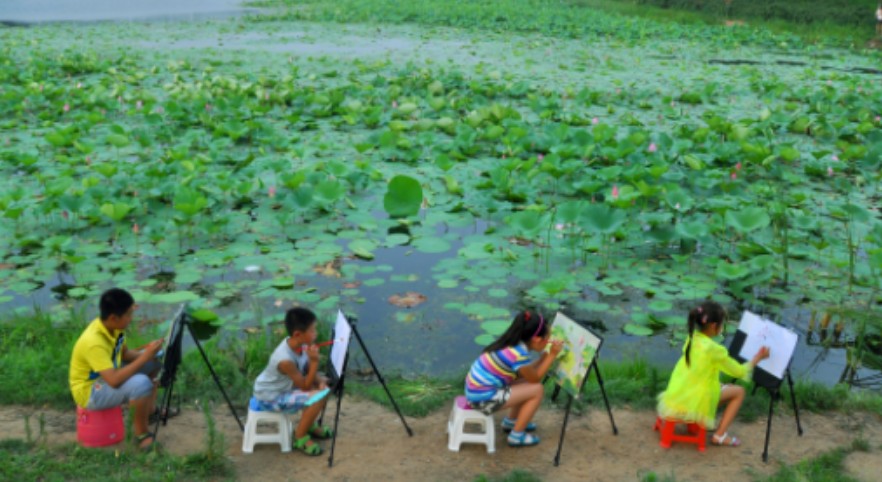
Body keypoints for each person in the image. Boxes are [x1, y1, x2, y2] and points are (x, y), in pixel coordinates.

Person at [657, 301, 770, 447]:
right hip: (696, 398)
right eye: (722, 324)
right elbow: (740, 371)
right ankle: (719, 435)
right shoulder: (715, 350)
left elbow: (699, 372)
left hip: (679, 392)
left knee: (724, 386)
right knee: (739, 392)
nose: (722, 328)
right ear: (713, 326)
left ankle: (697, 424)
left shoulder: (692, 337)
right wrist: (758, 358)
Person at [69, 288, 163, 450]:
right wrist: (144, 357)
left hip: (107, 375)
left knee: (155, 361)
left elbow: (124, 354)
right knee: (141, 383)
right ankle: (141, 435)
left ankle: (149, 410)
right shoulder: (94, 342)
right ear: (113, 317)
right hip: (90, 390)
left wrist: (149, 354)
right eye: (128, 315)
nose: (131, 319)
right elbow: (114, 380)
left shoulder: (115, 328)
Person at [464, 310, 564, 447]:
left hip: (476, 392)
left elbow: (526, 374)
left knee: (526, 384)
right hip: (482, 400)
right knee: (537, 390)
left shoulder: (511, 344)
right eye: (548, 338)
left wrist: (542, 360)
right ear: (536, 339)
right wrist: (552, 355)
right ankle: (516, 436)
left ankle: (511, 422)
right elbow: (535, 379)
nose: (549, 341)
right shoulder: (518, 354)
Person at [252, 307, 333, 456]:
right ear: (298, 334)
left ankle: (308, 425)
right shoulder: (285, 360)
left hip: (283, 387)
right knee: (320, 396)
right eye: (313, 331)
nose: (316, 334)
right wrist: (315, 362)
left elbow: (305, 366)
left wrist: (319, 379)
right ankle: (300, 436)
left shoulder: (298, 344)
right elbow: (305, 387)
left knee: (322, 386)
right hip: (271, 397)